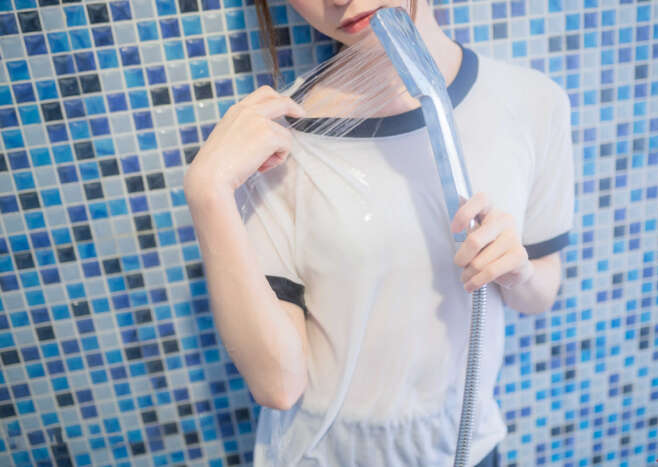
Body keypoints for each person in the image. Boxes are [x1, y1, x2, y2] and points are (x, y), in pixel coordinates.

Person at [183, 0, 575, 464]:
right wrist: (208, 193)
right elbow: (278, 385)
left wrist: (517, 272)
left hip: (467, 449)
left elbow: (540, 294)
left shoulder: (532, 103)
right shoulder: (275, 144)